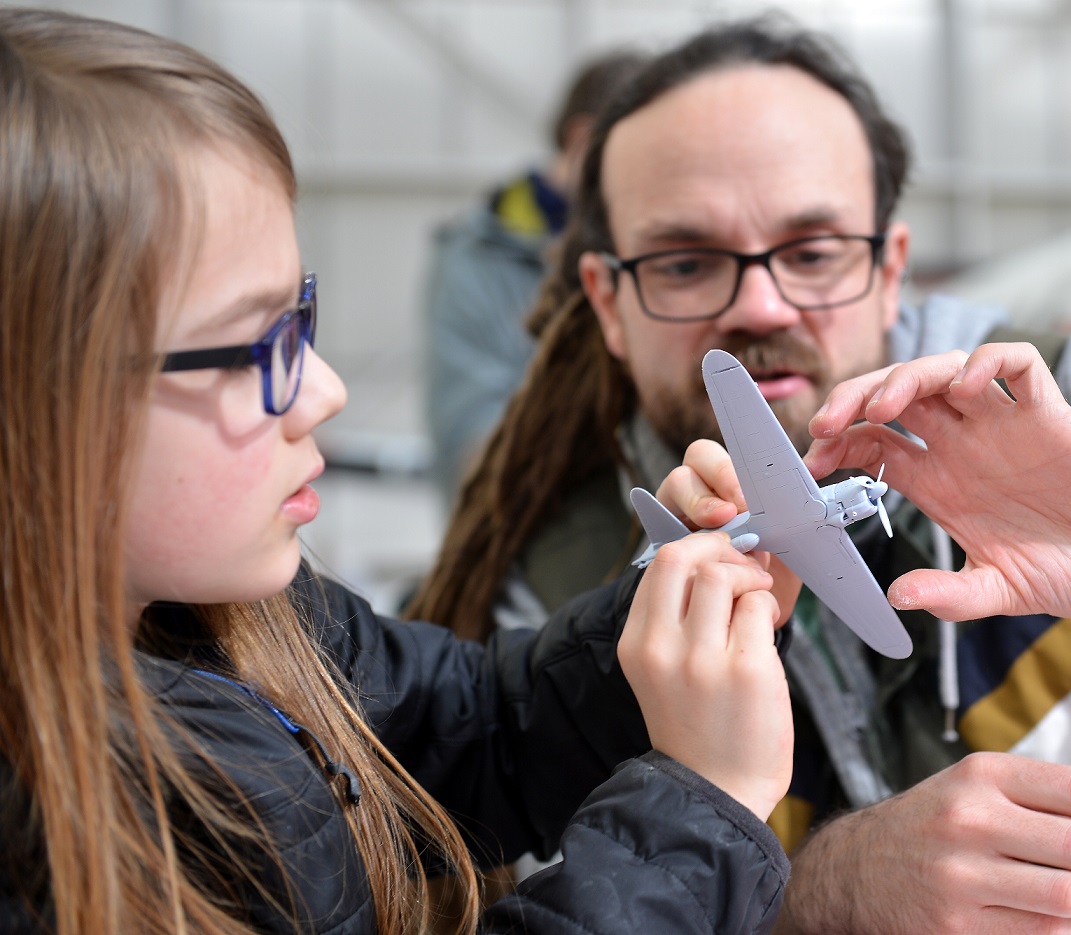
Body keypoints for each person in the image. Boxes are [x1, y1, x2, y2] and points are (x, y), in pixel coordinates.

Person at [408, 17, 1071, 935]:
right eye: (683, 263)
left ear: (890, 268)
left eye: (813, 249)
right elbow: (537, 903)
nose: (760, 304)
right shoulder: (547, 598)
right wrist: (827, 892)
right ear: (606, 300)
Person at [0, 9, 795, 934]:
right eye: (254, 349)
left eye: (299, 319)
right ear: (37, 397)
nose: (325, 390)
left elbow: (479, 725)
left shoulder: (263, 622)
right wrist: (697, 814)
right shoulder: (37, 845)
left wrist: (669, 613)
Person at [424, 49, 647, 500]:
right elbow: (472, 447)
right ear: (583, 140)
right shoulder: (479, 256)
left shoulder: (632, 244)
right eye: (645, 154)